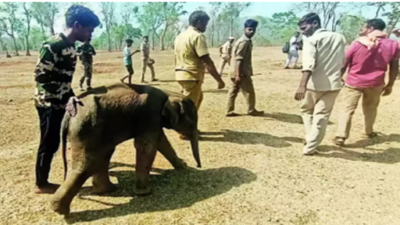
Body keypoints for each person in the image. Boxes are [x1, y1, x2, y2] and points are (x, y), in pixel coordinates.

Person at [33, 5, 100, 194]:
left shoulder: (71, 46)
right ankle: (41, 183)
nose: (90, 34)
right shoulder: (53, 45)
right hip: (48, 103)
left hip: (62, 99)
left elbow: (63, 78)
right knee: (50, 142)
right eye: (89, 30)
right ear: (77, 25)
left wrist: (71, 97)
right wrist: (64, 97)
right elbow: (41, 77)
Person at [333, 19, 399, 146]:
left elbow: (345, 62)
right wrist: (390, 84)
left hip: (354, 82)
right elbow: (394, 67)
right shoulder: (393, 45)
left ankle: (341, 136)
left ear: (371, 28)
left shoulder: (357, 43)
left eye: (363, 27)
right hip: (376, 83)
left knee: (347, 109)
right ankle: (368, 131)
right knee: (371, 108)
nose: (362, 29)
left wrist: (338, 76)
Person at [294, 13, 346, 155]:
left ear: (315, 23)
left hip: (314, 85)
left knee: (306, 111)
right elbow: (343, 62)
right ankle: (311, 146)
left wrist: (302, 85)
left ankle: (310, 139)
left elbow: (308, 65)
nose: (303, 31)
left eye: (304, 27)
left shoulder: (311, 40)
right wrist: (340, 76)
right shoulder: (340, 38)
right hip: (334, 84)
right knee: (322, 115)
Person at [174, 10, 225, 139]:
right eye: (205, 24)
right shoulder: (197, 36)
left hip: (182, 74)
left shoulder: (180, 36)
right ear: (199, 22)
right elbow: (207, 60)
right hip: (191, 75)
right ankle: (185, 131)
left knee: (197, 99)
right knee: (189, 106)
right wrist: (219, 80)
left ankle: (190, 127)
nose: (206, 27)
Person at [226, 19, 264, 117]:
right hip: (241, 72)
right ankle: (251, 110)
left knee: (233, 91)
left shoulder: (241, 40)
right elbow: (239, 59)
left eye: (253, 30)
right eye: (249, 29)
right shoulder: (244, 42)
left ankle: (229, 110)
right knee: (249, 92)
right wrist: (238, 75)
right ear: (244, 29)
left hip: (233, 70)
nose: (252, 32)